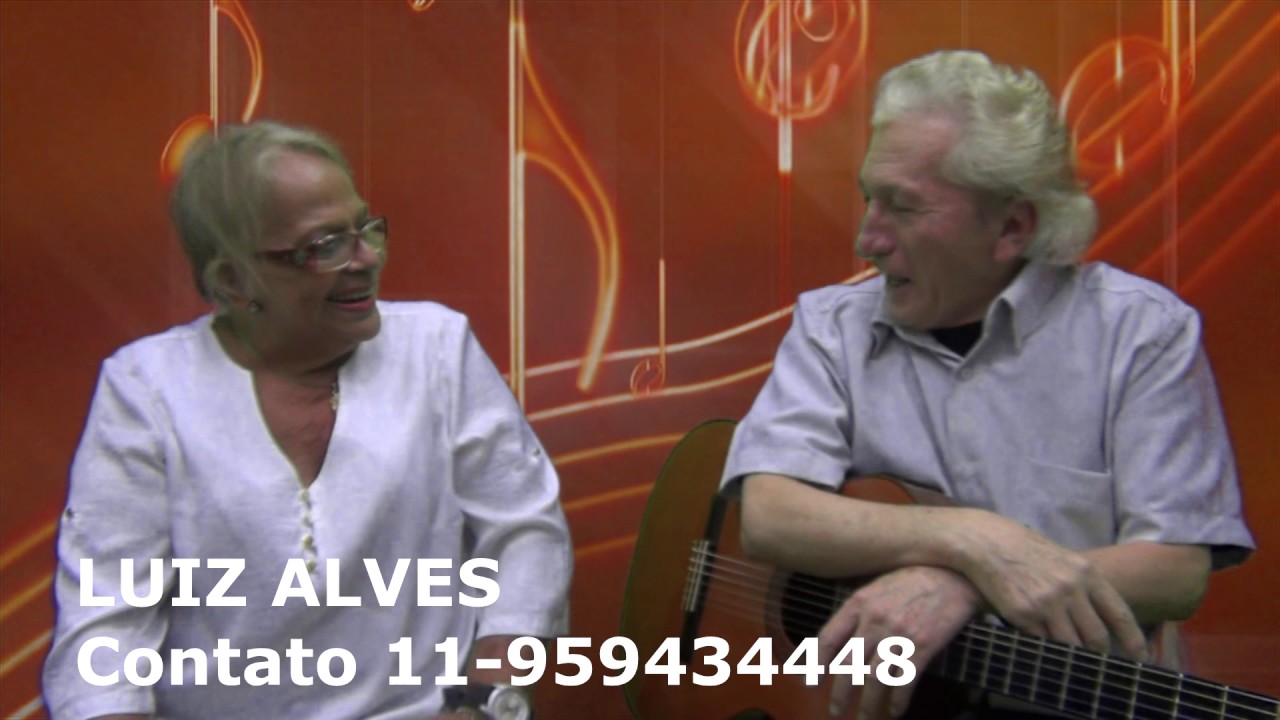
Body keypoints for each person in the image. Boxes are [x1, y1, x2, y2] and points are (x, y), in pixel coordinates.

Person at [721, 50, 1255, 719]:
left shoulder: (1143, 332)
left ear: (1011, 227)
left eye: (902, 206)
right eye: (869, 198)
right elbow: (771, 515)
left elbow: (1177, 569)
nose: (867, 240)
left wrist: (966, 586)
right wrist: (973, 542)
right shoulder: (832, 326)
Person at [42, 121, 572, 720]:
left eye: (365, 230)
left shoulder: (437, 348)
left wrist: (486, 701)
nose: (365, 259)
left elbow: (525, 534)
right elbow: (104, 631)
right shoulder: (146, 388)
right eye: (324, 246)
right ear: (233, 280)